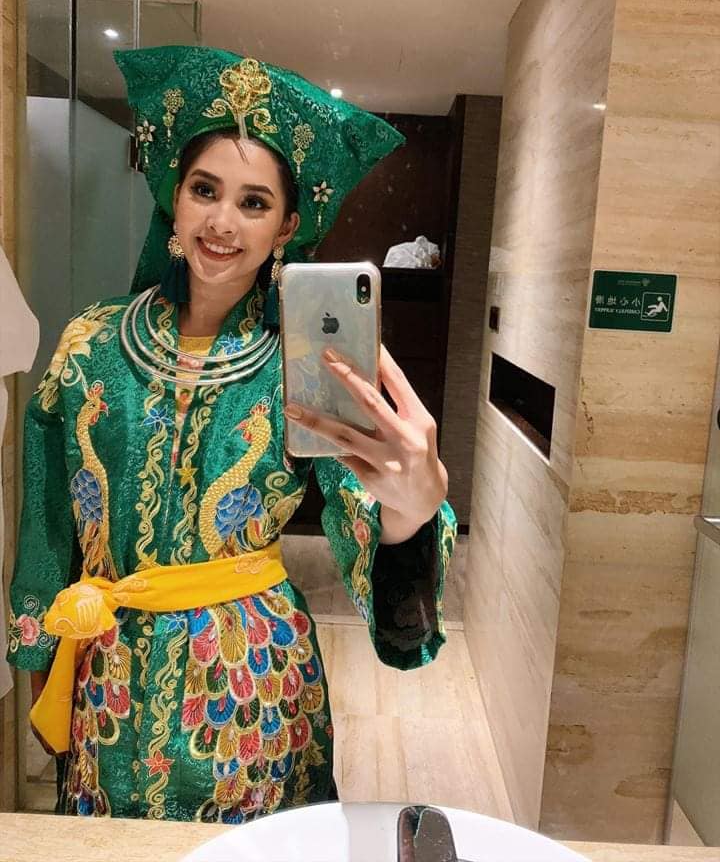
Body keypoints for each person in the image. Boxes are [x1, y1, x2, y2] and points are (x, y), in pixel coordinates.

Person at [6, 46, 457, 823]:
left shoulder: (307, 365)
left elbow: (359, 505)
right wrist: (38, 656)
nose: (221, 221)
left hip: (247, 683)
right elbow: (47, 521)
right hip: (106, 667)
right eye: (204, 189)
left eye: (254, 202)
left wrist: (411, 511)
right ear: (174, 200)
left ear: (287, 225)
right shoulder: (88, 344)